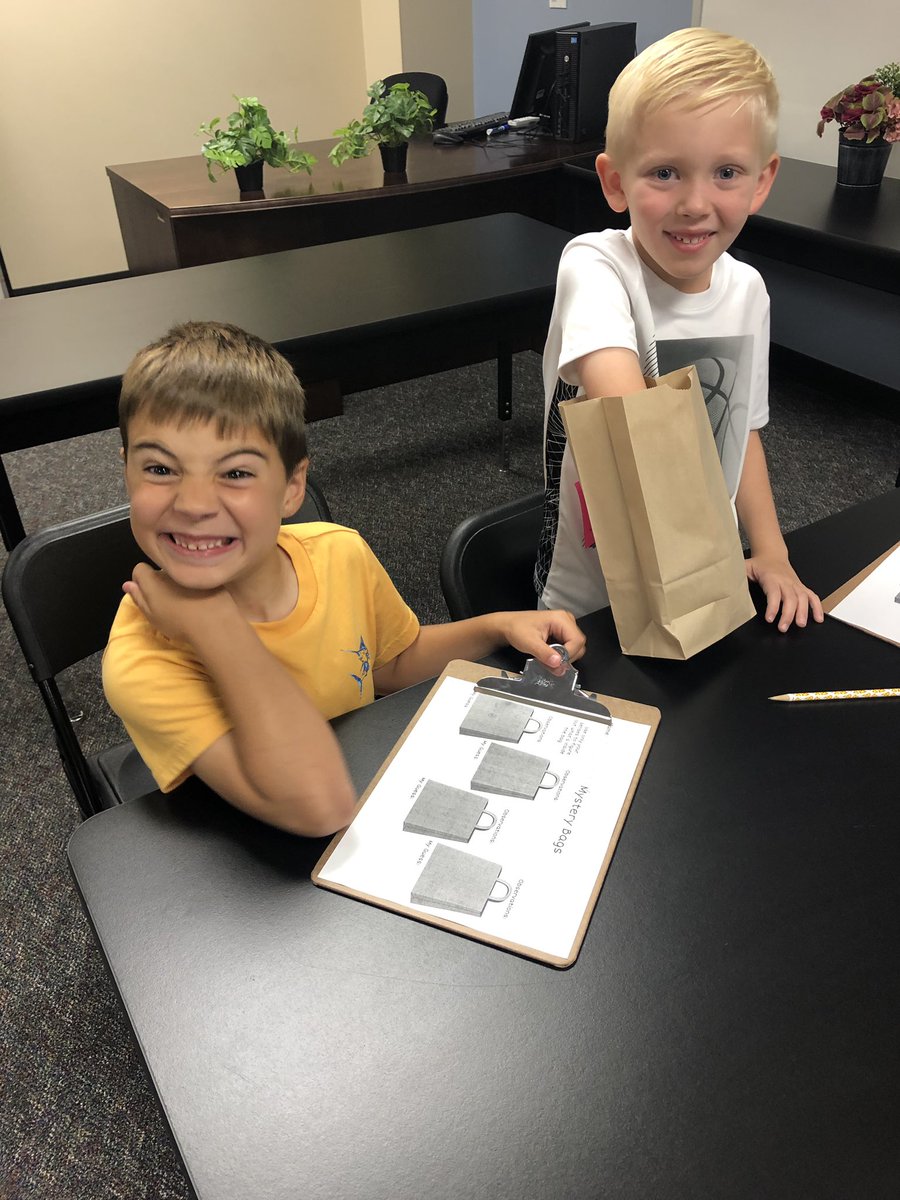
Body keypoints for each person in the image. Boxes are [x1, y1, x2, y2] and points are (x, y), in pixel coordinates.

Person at [103, 321, 584, 837]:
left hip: (363, 799)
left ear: (292, 488)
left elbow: (391, 662)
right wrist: (215, 624)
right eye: (159, 469)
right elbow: (318, 809)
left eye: (236, 473)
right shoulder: (141, 662)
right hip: (265, 862)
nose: (194, 504)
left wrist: (497, 627)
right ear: (127, 469)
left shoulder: (338, 552)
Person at [536, 26, 824, 634]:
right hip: (592, 588)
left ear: (762, 182)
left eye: (726, 173)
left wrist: (771, 551)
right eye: (665, 173)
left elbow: (740, 430)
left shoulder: (747, 292)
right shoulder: (597, 263)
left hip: (703, 576)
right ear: (614, 182)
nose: (696, 203)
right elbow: (622, 406)